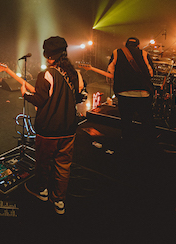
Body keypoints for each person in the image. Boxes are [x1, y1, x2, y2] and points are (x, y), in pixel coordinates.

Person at [22, 36, 85, 215]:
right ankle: (59, 201)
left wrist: (25, 94)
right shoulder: (75, 73)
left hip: (48, 130)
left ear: (48, 56)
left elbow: (40, 100)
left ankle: (42, 191)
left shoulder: (46, 74)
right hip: (69, 129)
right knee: (63, 166)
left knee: (43, 163)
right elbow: (79, 97)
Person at [83, 36, 156, 142]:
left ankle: (126, 143)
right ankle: (149, 143)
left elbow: (111, 72)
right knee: (147, 121)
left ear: (125, 45)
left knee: (126, 121)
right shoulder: (144, 53)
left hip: (124, 94)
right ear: (138, 45)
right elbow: (151, 74)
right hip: (142, 94)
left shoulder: (117, 52)